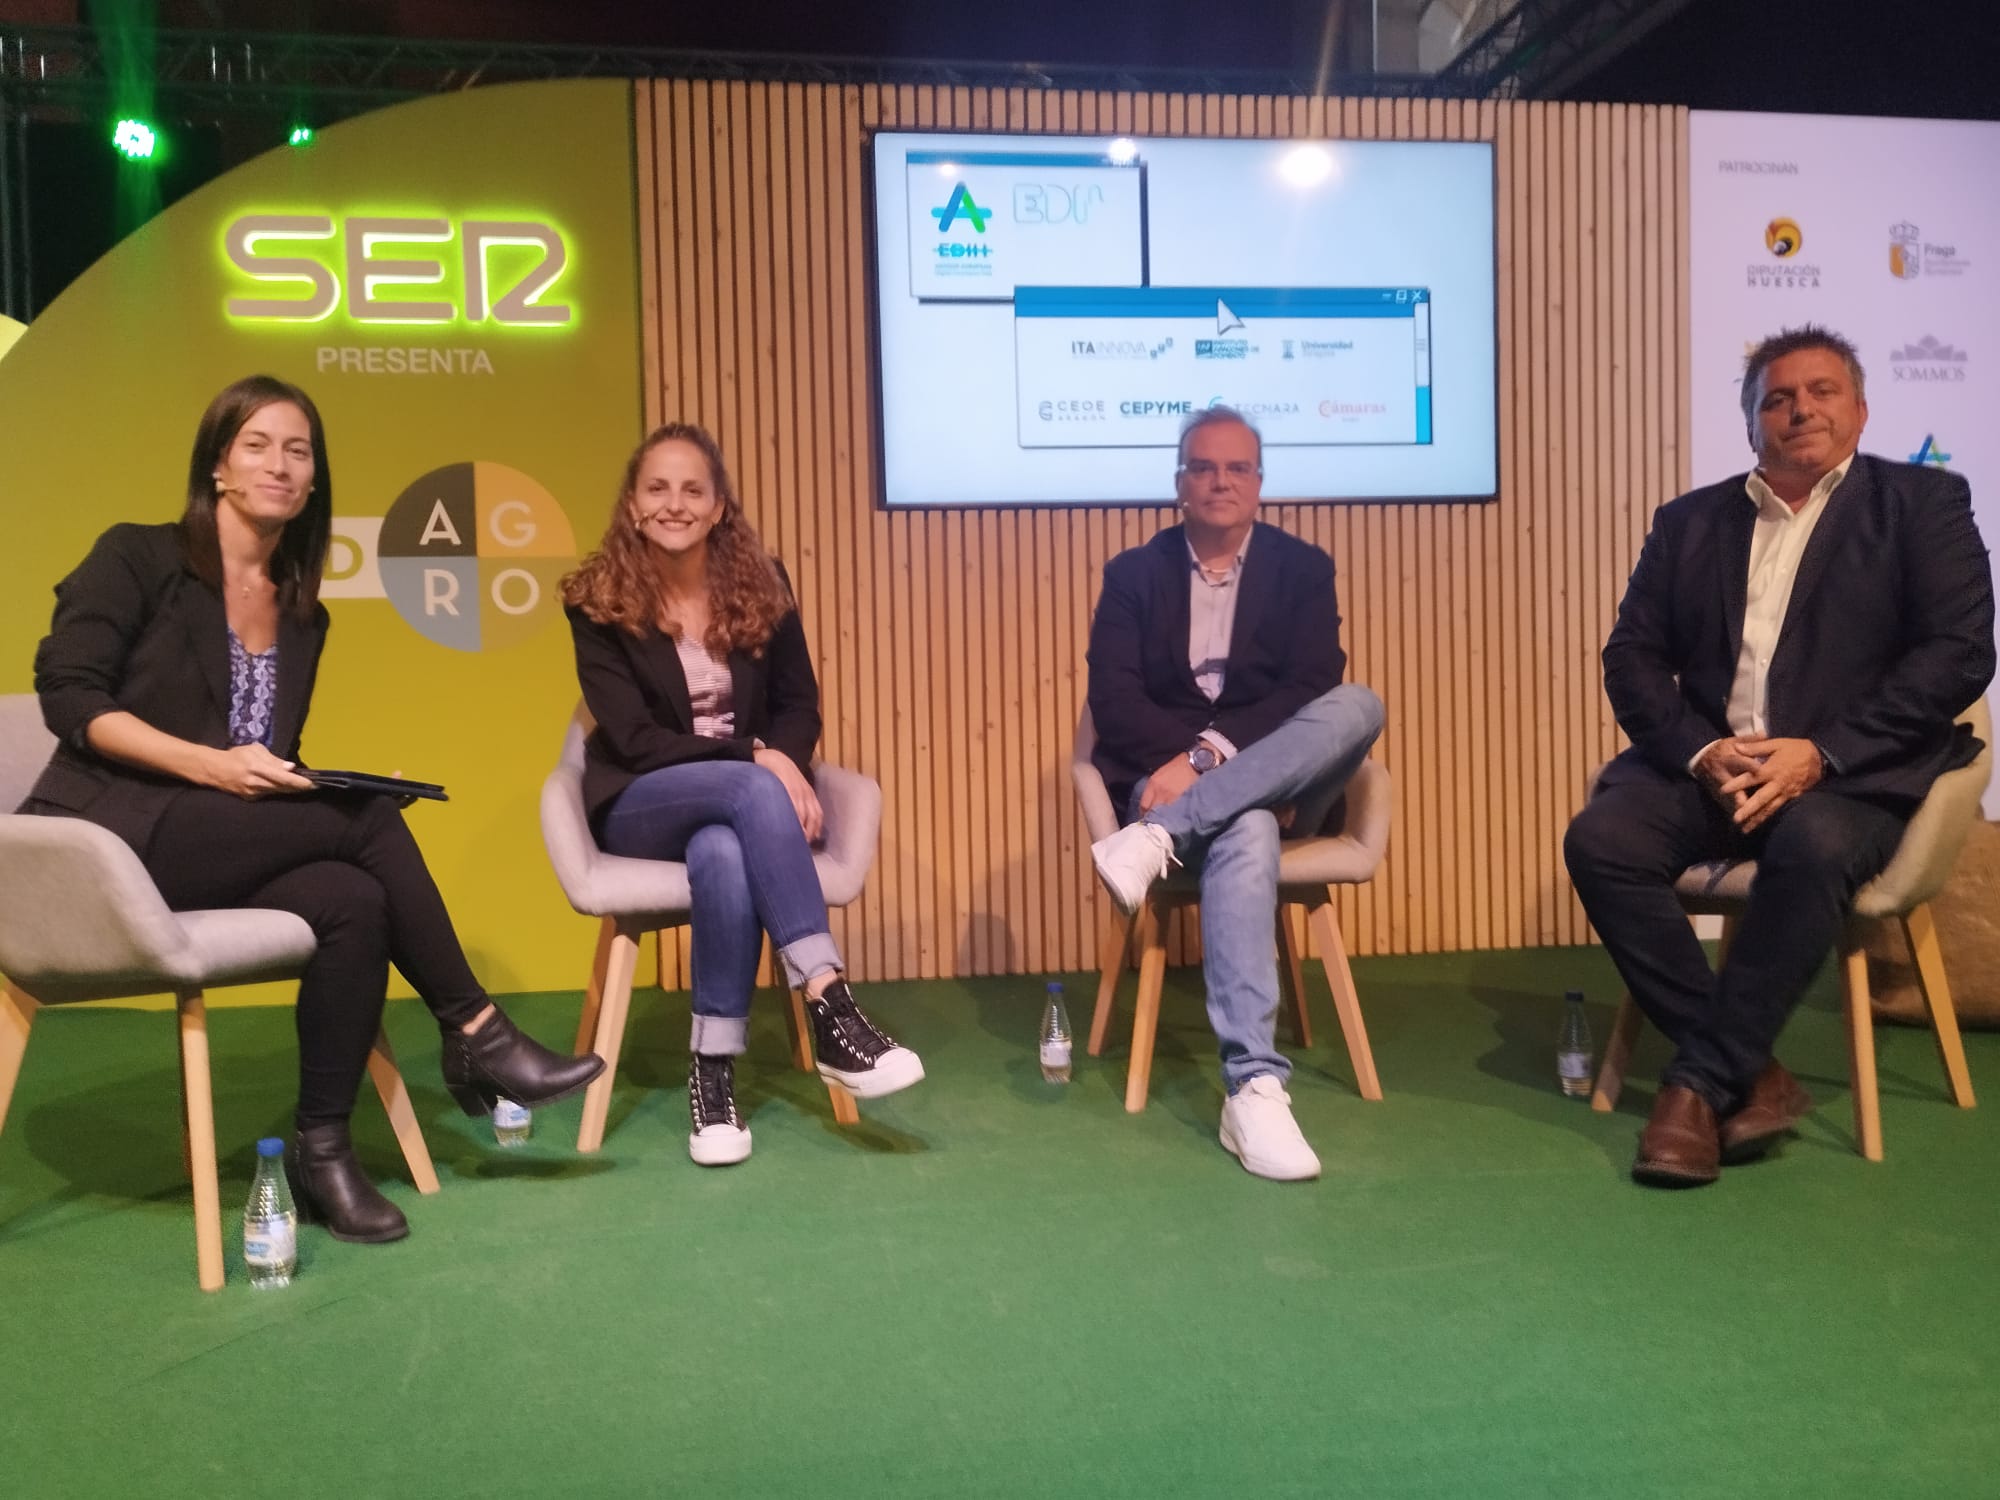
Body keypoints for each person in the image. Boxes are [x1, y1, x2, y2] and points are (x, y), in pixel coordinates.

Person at [19, 374, 605, 1243]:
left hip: (206, 839)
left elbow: (267, 751)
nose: (279, 465)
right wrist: (213, 768)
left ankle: (321, 1147)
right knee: (366, 821)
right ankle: (476, 1028)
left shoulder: (302, 613)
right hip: (101, 837)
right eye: (256, 444)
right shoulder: (137, 557)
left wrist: (303, 781)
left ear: (314, 478)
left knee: (353, 896)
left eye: (299, 451)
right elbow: (67, 695)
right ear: (218, 464)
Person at [1565, 325, 1995, 1187]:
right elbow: (1633, 657)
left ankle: (1697, 1085)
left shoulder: (1923, 503)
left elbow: (1958, 653)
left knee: (1813, 846)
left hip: (1853, 775)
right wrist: (1702, 750)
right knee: (1601, 841)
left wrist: (1823, 753)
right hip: (1719, 768)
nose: (1800, 409)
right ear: (1752, 421)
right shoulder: (1690, 521)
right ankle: (1749, 1074)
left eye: (1822, 391)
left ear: (1861, 410)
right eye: (1777, 397)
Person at [562, 422, 922, 1166]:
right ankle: (831, 1004)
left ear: (720, 506)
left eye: (693, 489)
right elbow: (631, 738)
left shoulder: (764, 581)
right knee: (748, 790)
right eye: (657, 489)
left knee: (724, 852)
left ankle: (713, 1075)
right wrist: (759, 758)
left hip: (735, 809)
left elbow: (799, 706)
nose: (675, 504)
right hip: (639, 800)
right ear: (632, 504)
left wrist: (780, 755)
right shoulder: (595, 597)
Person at [1084, 406, 1385, 1181]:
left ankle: (1156, 840)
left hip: (1265, 782)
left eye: (1237, 468)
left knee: (1359, 704)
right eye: (1203, 467)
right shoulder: (1133, 575)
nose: (1221, 481)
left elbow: (1308, 686)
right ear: (1179, 482)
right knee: (1247, 826)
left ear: (1259, 483)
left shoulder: (1302, 568)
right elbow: (1114, 705)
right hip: (1183, 785)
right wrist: (1197, 772)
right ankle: (1253, 1085)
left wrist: (1209, 759)